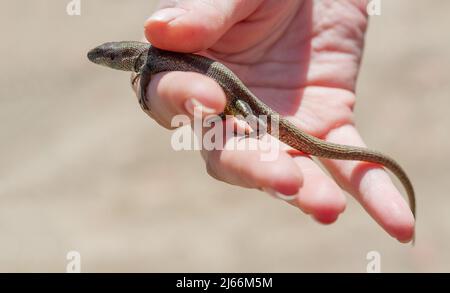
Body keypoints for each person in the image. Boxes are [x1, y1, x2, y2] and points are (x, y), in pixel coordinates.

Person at [131, 0, 414, 243]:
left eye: (106, 56)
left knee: (245, 116)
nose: (101, 58)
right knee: (223, 107)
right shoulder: (149, 58)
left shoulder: (147, 61)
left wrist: (144, 91)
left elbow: (146, 75)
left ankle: (256, 130)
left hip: (242, 98)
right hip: (236, 96)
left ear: (121, 57)